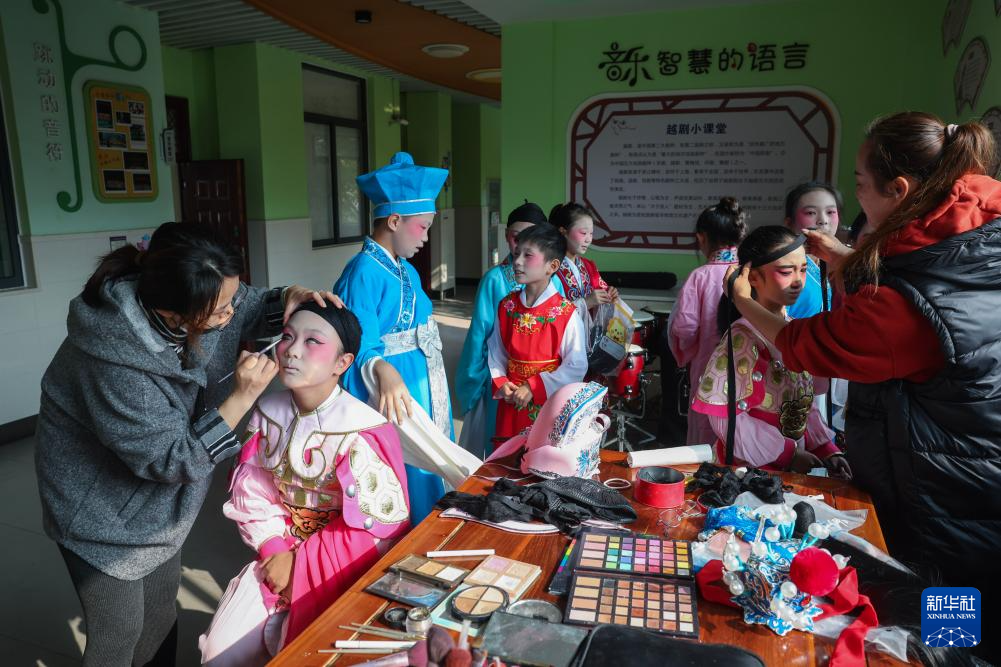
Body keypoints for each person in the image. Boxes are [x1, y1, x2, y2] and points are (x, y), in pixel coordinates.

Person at [724, 113, 1000, 616]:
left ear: (899, 190)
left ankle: (947, 650)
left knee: (943, 612)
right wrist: (851, 259)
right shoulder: (975, 228)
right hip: (967, 466)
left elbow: (806, 345)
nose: (796, 280)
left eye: (859, 186)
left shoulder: (912, 305)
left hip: (947, 493)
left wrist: (744, 302)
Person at [35, 221, 338, 667]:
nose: (231, 314)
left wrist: (285, 299)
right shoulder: (115, 365)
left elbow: (247, 303)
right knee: (119, 633)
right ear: (176, 314)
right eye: (219, 311)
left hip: (157, 507)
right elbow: (171, 459)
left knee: (158, 615)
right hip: (100, 512)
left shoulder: (193, 292)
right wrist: (240, 399)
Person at [199, 302, 410, 666]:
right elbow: (253, 491)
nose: (292, 350)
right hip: (276, 550)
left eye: (313, 341)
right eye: (287, 337)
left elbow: (376, 528)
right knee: (218, 652)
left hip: (341, 565)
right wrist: (275, 549)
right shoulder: (267, 411)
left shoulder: (362, 428)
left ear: (342, 363)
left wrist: (299, 563)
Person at [333, 151, 450, 523]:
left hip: (422, 380)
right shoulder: (362, 272)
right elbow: (356, 340)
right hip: (397, 388)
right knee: (407, 466)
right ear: (395, 220)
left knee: (430, 463)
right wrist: (381, 367)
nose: (426, 238)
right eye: (423, 227)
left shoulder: (406, 269)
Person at [691, 226, 851, 477]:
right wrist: (786, 454)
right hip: (751, 469)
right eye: (786, 272)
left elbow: (803, 404)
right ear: (753, 277)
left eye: (803, 270)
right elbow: (727, 420)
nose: (798, 281)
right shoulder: (742, 337)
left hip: (792, 464)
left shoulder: (794, 330)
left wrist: (827, 449)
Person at [455, 201, 564, 456]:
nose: (520, 247)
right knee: (502, 447)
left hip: (543, 384)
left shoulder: (554, 281)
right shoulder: (495, 279)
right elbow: (480, 334)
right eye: (517, 238)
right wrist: (479, 380)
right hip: (505, 382)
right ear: (507, 236)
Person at [488, 223, 587, 442]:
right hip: (511, 400)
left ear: (552, 266)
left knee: (540, 456)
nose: (518, 261)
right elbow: (496, 351)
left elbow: (576, 365)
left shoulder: (565, 313)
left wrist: (534, 386)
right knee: (508, 456)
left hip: (547, 404)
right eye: (517, 254)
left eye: (528, 255)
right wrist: (502, 382)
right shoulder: (507, 306)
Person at [667, 197, 746, 446]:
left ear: (701, 238)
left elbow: (684, 328)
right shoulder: (749, 273)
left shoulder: (700, 277)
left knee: (706, 429)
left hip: (709, 367)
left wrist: (688, 351)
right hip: (748, 365)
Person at [550, 203, 619, 326]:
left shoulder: (589, 266)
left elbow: (602, 289)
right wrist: (586, 302)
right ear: (563, 232)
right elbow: (549, 313)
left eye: (591, 234)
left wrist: (610, 294)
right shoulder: (550, 268)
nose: (588, 239)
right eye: (583, 233)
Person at [782, 182, 841, 319]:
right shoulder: (783, 265)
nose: (823, 220)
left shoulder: (831, 262)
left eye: (830, 212)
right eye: (810, 213)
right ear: (789, 223)